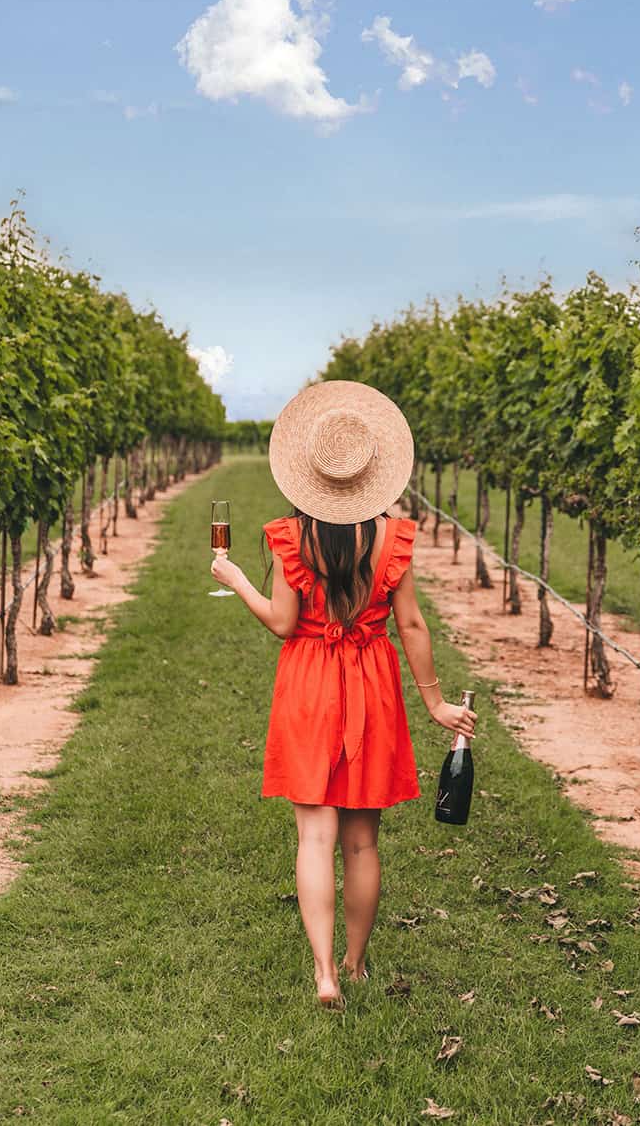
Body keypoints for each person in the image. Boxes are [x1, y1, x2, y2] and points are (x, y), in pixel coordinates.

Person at [209, 379, 478, 1009]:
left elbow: (281, 622)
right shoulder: (392, 539)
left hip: (308, 683)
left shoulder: (289, 538)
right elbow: (411, 624)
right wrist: (436, 704)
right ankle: (357, 965)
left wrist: (236, 578)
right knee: (362, 840)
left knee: (315, 838)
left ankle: (324, 971)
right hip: (371, 682)